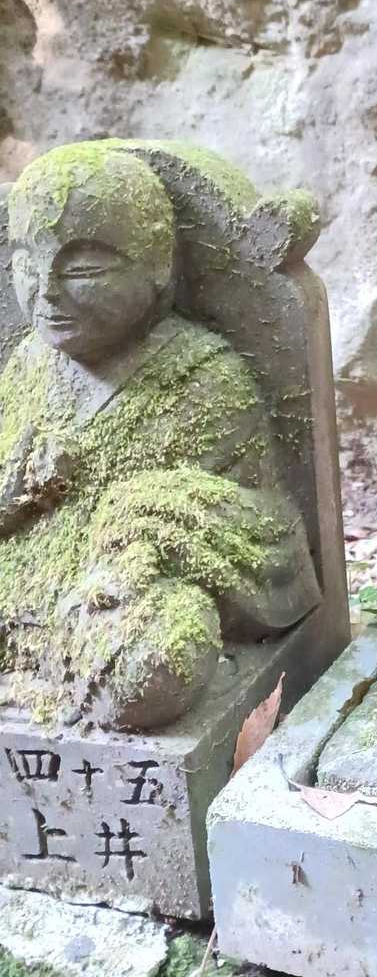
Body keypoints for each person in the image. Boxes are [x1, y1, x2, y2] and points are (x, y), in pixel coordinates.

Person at [0, 142, 320, 730]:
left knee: (163, 652)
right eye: (26, 263)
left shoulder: (204, 375)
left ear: (157, 269)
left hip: (111, 608)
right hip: (18, 588)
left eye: (83, 269)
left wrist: (157, 515)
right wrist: (14, 492)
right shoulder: (27, 366)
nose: (46, 291)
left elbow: (266, 525)